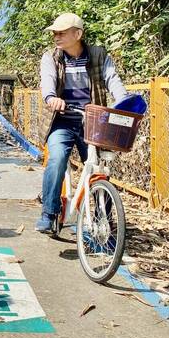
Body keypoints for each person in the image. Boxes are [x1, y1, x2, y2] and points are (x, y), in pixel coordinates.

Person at [35, 13, 127, 235]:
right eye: (55, 33)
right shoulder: (51, 57)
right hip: (62, 120)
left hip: (93, 122)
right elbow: (47, 80)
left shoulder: (97, 55)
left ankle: (103, 218)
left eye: (62, 32)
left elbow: (112, 79)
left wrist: (123, 100)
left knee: (99, 169)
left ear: (78, 34)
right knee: (56, 159)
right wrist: (50, 98)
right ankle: (48, 213)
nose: (56, 37)